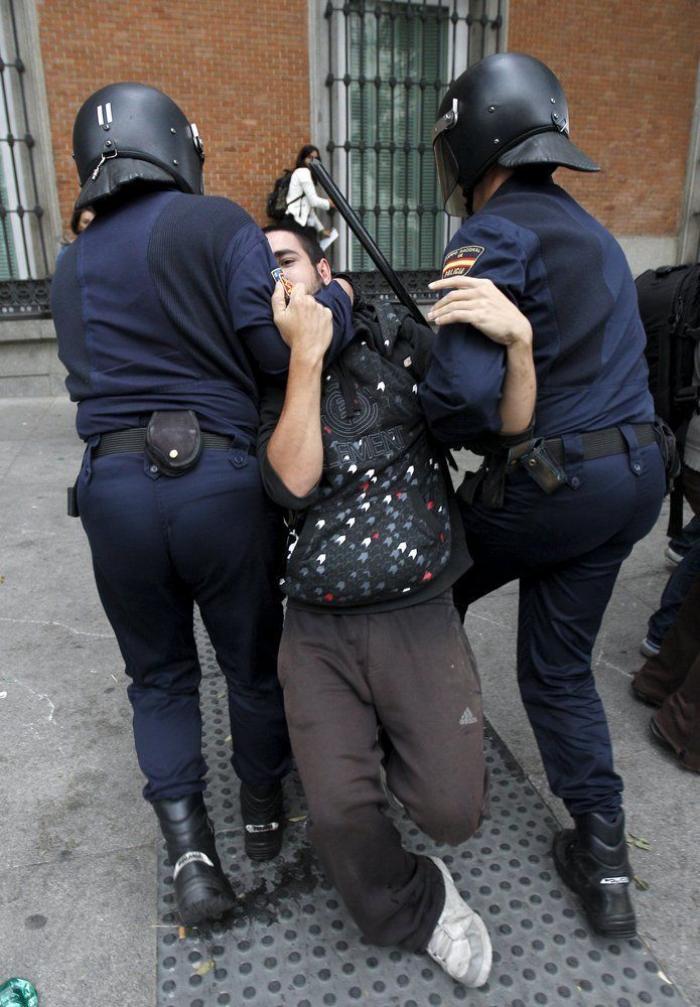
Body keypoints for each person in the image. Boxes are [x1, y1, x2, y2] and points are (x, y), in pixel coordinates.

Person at [50, 83, 354, 927]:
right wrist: (337, 305)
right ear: (174, 147)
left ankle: (191, 854)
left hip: (111, 489)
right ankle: (261, 815)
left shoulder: (70, 264)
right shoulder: (216, 223)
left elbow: (86, 375)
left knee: (159, 677)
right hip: (217, 483)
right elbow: (272, 350)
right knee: (250, 665)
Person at [421, 52, 667, 939]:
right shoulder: (595, 235)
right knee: (558, 668)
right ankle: (604, 862)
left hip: (554, 484)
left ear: (475, 143)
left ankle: (419, 766)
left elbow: (455, 401)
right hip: (636, 477)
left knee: (424, 587)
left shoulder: (493, 235)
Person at [260, 220, 536, 985]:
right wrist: (305, 356)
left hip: (417, 613)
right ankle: (418, 902)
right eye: (262, 268)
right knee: (341, 818)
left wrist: (518, 345)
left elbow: (503, 430)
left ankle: (381, 737)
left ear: (323, 267)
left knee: (455, 812)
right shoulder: (266, 365)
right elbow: (290, 482)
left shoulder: (399, 341)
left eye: (286, 259)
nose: (274, 277)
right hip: (318, 624)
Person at [284, 144, 334, 241]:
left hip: (296, 221)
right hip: (295, 222)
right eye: (310, 158)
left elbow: (308, 208)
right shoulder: (303, 172)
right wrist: (329, 203)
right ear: (303, 158)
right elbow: (313, 201)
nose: (312, 161)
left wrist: (321, 229)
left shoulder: (301, 173)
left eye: (315, 158)